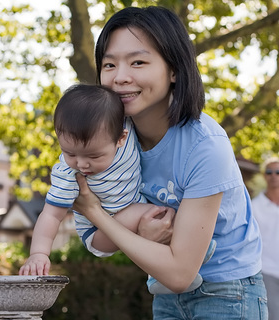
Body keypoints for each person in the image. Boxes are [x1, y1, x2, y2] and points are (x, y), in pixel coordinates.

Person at [71, 6, 267, 319]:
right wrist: (130, 232)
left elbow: (180, 273)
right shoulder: (111, 142)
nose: (120, 77)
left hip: (227, 293)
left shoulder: (205, 145)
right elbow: (96, 240)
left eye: (138, 62)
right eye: (109, 64)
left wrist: (96, 212)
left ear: (173, 70)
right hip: (163, 291)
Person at [19, 83, 215, 295]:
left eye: (94, 156)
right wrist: (39, 252)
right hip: (97, 233)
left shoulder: (125, 128)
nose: (82, 164)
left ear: (121, 138)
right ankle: (179, 262)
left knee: (164, 208)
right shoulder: (68, 174)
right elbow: (50, 215)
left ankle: (179, 260)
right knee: (158, 213)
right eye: (70, 153)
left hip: (132, 203)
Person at [252, 156, 279, 320]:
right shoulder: (255, 206)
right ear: (264, 175)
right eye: (269, 172)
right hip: (266, 270)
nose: (274, 175)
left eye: (278, 172)